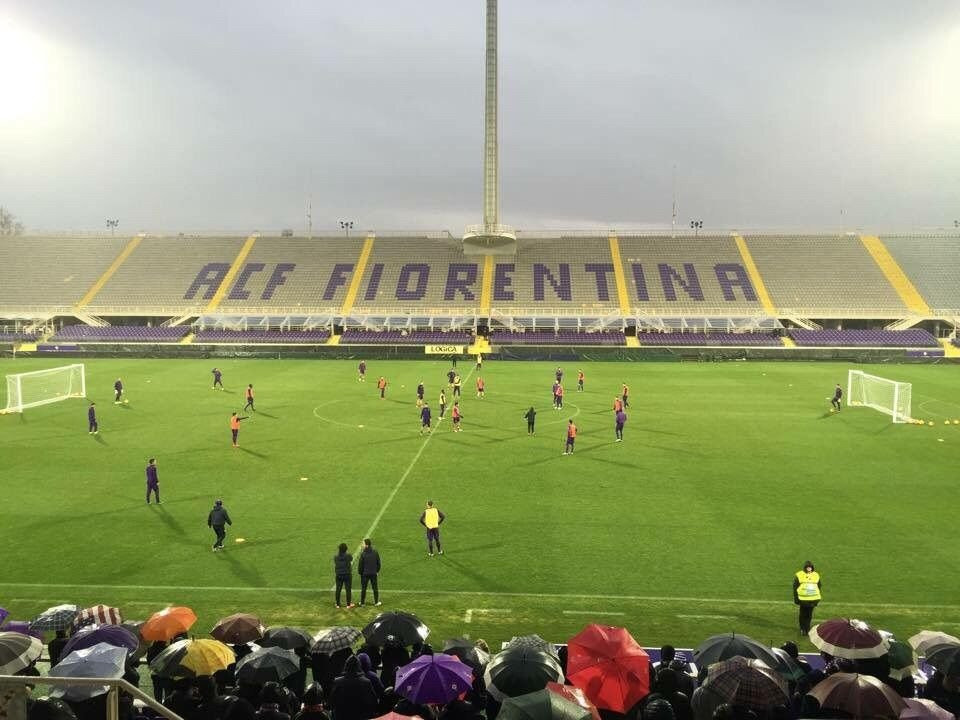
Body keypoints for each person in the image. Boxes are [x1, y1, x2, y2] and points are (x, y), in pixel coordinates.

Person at [793, 561, 821, 634]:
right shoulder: (800, 575)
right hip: (803, 599)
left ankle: (807, 628)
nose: (809, 568)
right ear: (805, 567)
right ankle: (802, 628)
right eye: (807, 567)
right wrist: (796, 598)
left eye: (810, 567)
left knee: (809, 614)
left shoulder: (816, 575)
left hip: (812, 599)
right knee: (803, 614)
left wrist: (817, 598)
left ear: (812, 567)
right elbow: (795, 587)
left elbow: (819, 586)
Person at [357, 538, 382, 607]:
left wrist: (360, 573)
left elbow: (360, 565)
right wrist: (377, 571)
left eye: (363, 543)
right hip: (373, 573)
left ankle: (362, 603)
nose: (362, 545)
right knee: (375, 588)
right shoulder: (375, 552)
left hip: (365, 574)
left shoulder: (363, 554)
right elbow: (378, 563)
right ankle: (376, 602)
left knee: (363, 588)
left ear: (367, 545)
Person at [334, 543, 354, 608]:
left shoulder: (336, 557)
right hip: (347, 574)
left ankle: (337, 604)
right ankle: (348, 604)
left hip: (339, 574)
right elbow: (351, 559)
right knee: (348, 589)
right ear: (346, 549)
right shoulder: (348, 555)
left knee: (338, 589)